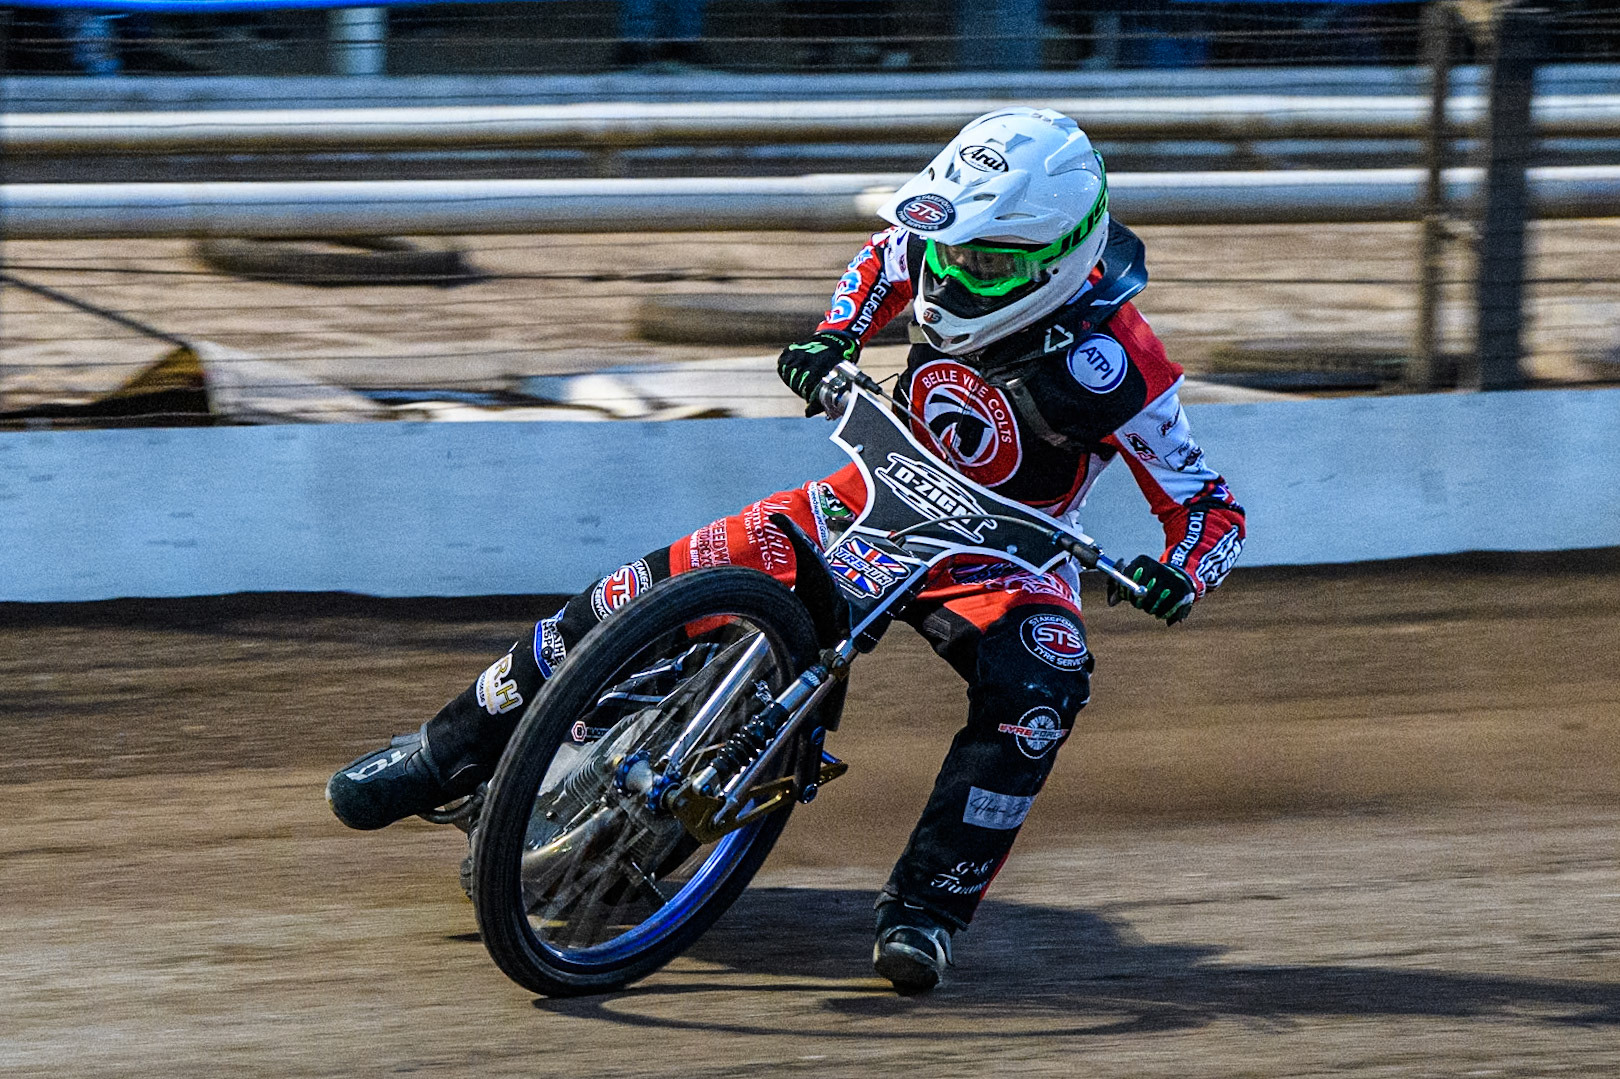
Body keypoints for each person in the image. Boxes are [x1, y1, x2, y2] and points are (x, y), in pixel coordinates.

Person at [327, 107, 1246, 993]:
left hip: (1003, 557)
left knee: (1043, 689)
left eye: (986, 262)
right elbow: (886, 254)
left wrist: (1181, 572)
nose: (955, 272)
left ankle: (928, 907)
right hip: (866, 495)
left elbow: (1210, 507)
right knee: (638, 588)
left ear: (1063, 255)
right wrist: (834, 337)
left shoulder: (1124, 365)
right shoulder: (935, 248)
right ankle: (441, 750)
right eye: (953, 250)